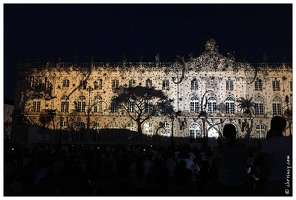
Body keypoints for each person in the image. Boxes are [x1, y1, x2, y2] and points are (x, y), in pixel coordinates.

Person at [260, 116, 292, 196]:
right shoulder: (290, 142)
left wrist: (262, 180)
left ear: (272, 126)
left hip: (273, 180)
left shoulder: (268, 143)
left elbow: (266, 165)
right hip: (289, 179)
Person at [213, 124, 249, 195]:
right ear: (235, 133)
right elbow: (245, 162)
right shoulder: (243, 147)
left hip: (225, 181)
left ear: (224, 134)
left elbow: (217, 166)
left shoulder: (220, 149)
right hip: (241, 181)